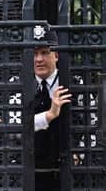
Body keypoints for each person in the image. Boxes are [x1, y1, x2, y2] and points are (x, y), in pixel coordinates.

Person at [33, 25, 71, 191]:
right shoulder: (17, 85)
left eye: (44, 52)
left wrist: (80, 154)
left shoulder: (74, 84)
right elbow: (15, 127)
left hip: (66, 174)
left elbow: (92, 125)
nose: (38, 59)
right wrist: (49, 115)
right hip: (28, 174)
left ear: (56, 55)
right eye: (34, 54)